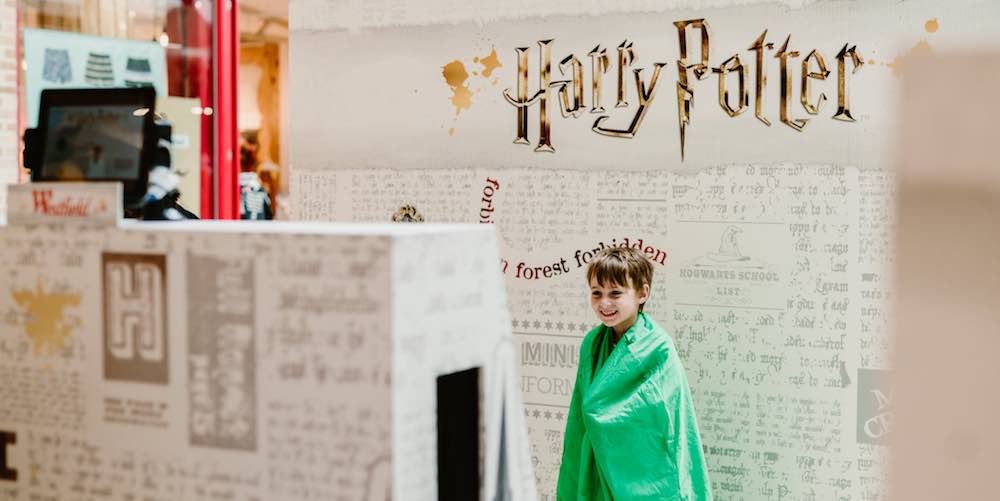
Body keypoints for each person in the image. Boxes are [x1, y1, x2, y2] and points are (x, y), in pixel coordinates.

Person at [557, 247, 713, 500]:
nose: (604, 303)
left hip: (645, 468)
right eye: (596, 293)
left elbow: (662, 418)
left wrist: (599, 414)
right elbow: (580, 410)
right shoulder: (592, 343)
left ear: (643, 293)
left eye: (615, 293)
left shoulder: (657, 347)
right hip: (598, 454)